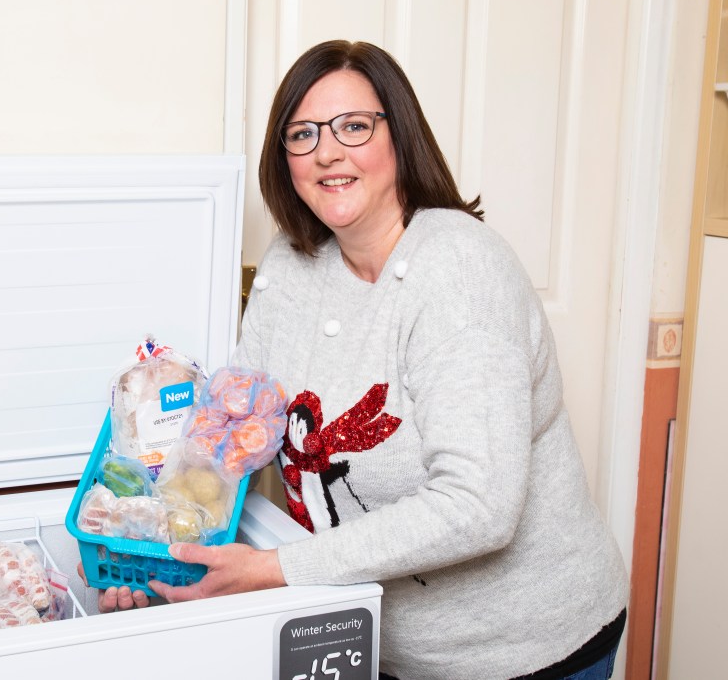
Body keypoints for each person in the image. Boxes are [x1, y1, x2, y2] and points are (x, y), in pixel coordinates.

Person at [84, 39, 630, 680]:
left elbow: (478, 506)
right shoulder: (292, 264)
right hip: (375, 637)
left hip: (523, 649)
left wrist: (272, 569)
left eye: (354, 126)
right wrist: (159, 544)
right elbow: (233, 437)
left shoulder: (458, 271)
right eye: (303, 133)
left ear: (399, 136)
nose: (328, 152)